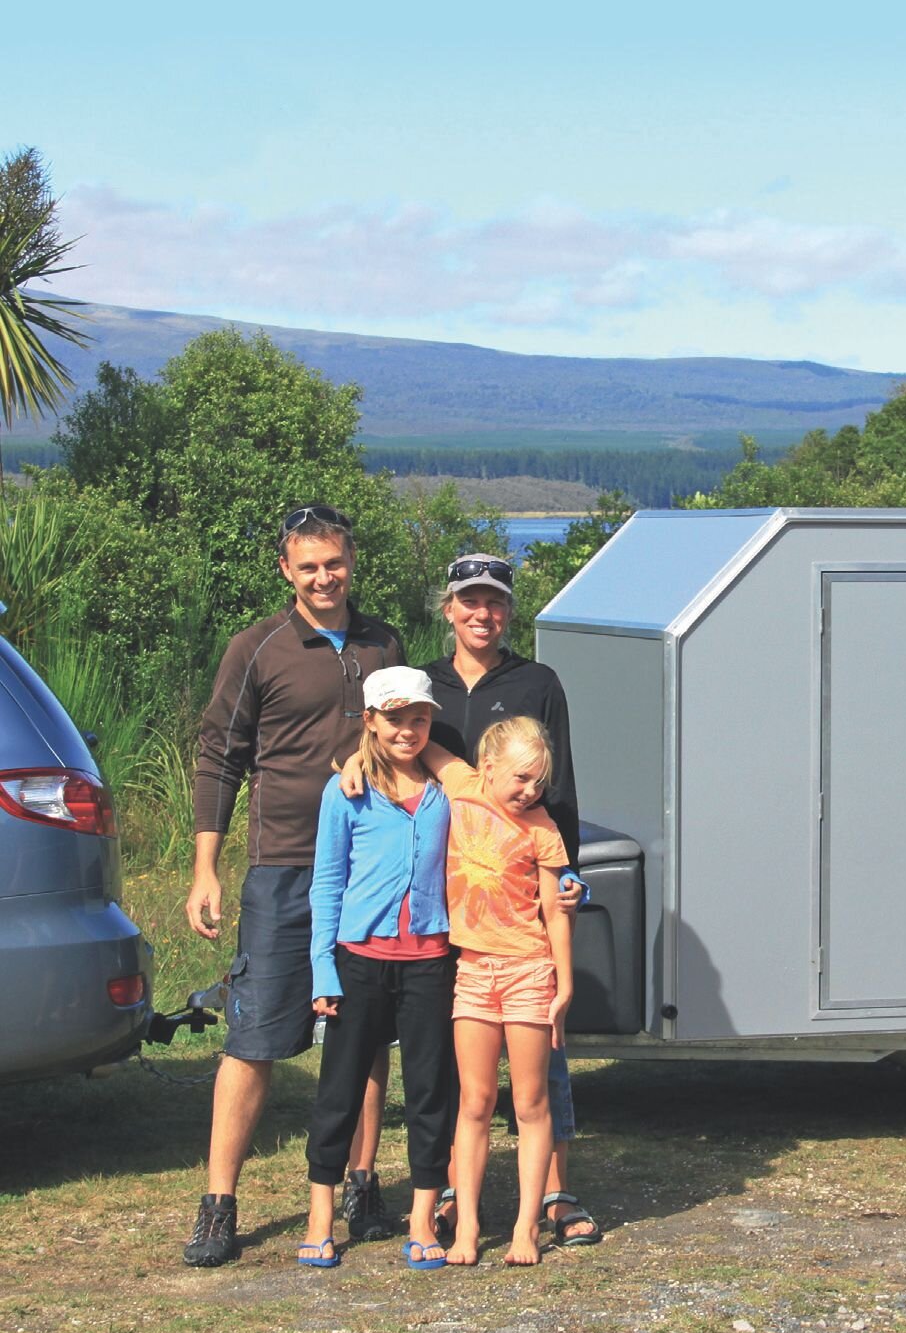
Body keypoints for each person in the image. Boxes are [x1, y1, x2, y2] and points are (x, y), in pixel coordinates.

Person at [344, 553, 602, 1247]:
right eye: (469, 600)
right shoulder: (424, 683)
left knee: (542, 1069)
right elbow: (400, 743)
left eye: (494, 601)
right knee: (460, 1074)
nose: (482, 613)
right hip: (447, 907)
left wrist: (567, 873)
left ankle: (554, 1193)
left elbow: (559, 788)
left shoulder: (537, 682)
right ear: (449, 608)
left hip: (525, 899)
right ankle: (458, 1194)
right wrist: (357, 757)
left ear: (509, 610)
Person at [183, 504, 404, 1268]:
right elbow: (219, 755)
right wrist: (206, 867)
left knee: (365, 1032)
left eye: (333, 562)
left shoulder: (383, 644)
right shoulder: (257, 647)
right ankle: (218, 1202)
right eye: (307, 566)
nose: (322, 577)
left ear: (351, 560)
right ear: (285, 569)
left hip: (370, 868)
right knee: (255, 1037)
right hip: (283, 866)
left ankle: (363, 1184)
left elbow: (405, 741)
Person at [300, 667, 455, 1270]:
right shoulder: (345, 791)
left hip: (430, 962)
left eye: (419, 718)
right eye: (394, 718)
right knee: (339, 1090)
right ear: (369, 720)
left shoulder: (445, 790)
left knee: (429, 1092)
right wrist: (323, 968)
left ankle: (421, 1217)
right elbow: (327, 882)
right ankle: (320, 1217)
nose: (408, 730)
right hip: (360, 960)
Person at [424, 717, 573, 1266]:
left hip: (529, 971)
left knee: (531, 1103)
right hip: (472, 972)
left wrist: (564, 983)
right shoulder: (461, 784)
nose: (531, 791)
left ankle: (525, 1228)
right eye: (521, 778)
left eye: (540, 781)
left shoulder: (543, 828)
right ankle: (467, 1225)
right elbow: (416, 744)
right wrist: (352, 762)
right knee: (475, 1101)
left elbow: (555, 911)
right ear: (487, 768)